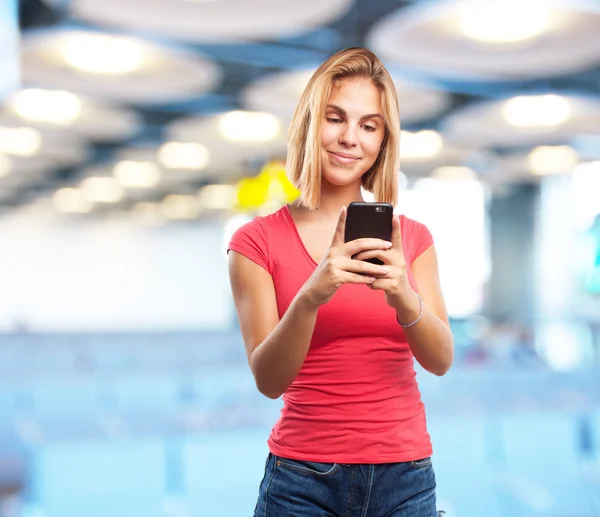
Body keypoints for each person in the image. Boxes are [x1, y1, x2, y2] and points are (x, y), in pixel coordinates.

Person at [227, 47, 453, 517]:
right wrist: (312, 294)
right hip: (301, 479)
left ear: (382, 141)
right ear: (310, 124)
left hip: (405, 474)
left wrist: (402, 296)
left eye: (368, 126)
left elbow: (441, 360)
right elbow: (269, 381)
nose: (350, 138)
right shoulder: (255, 242)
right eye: (335, 119)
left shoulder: (412, 238)